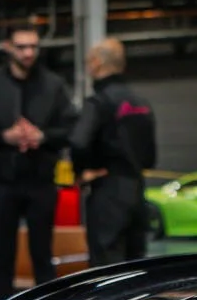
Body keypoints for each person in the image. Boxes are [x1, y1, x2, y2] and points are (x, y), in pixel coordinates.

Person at [0, 19, 74, 300]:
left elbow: (71, 129)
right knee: (3, 256)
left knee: (42, 255)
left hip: (41, 180)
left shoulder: (53, 84)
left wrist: (42, 136)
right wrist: (4, 136)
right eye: (22, 47)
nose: (28, 53)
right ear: (8, 47)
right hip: (2, 181)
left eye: (33, 47)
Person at [68, 38, 158, 268]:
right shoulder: (142, 103)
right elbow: (150, 157)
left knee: (106, 267)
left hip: (107, 192)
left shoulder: (98, 102)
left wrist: (82, 171)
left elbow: (78, 142)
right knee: (136, 266)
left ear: (97, 63)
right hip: (137, 191)